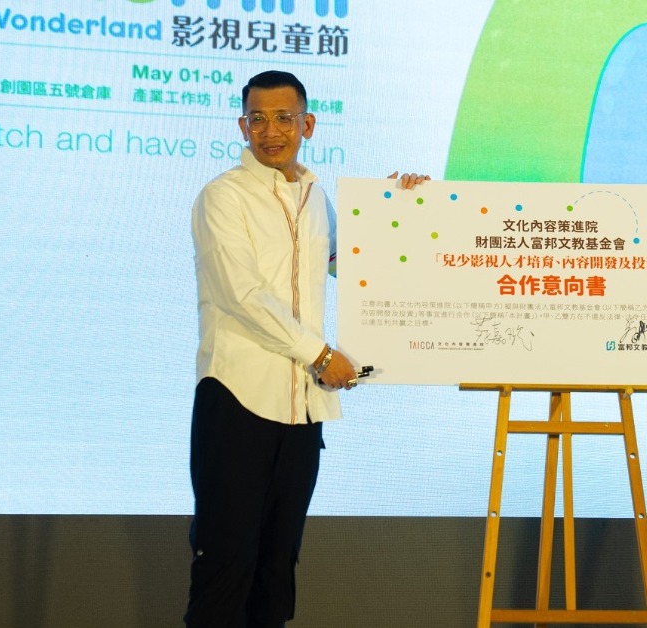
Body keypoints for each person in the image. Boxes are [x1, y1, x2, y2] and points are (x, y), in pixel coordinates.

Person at [186, 70, 428, 627]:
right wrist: (320, 356)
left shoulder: (317, 199)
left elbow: (354, 265)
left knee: (277, 568)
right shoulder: (222, 197)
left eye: (284, 118)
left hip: (302, 410)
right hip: (237, 400)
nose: (271, 131)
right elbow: (243, 295)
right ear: (242, 126)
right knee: (225, 563)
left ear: (308, 124)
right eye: (258, 119)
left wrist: (402, 207)